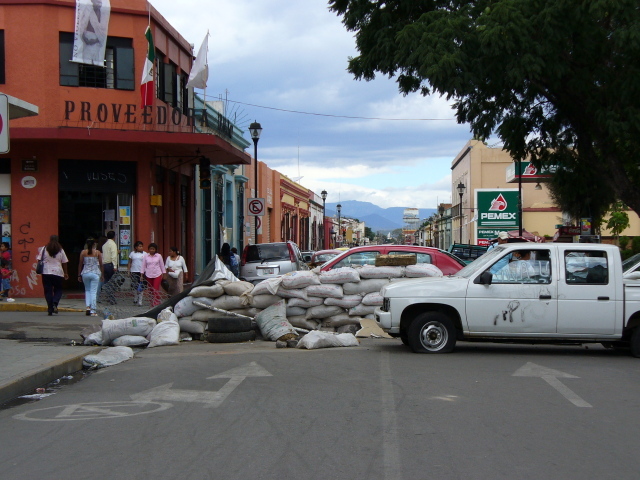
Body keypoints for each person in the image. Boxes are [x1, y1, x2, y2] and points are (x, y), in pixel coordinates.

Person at [37, 235, 69, 316]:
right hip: (58, 272)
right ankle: (55, 303)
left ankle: (50, 308)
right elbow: (64, 262)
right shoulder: (60, 250)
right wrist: (65, 273)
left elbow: (39, 259)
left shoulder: (44, 248)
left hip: (46, 272)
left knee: (48, 291)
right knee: (58, 289)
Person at [78, 237, 103, 316]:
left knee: (87, 290)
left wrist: (79, 274)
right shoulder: (97, 252)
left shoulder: (83, 252)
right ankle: (93, 310)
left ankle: (88, 307)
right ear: (94, 244)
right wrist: (102, 274)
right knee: (93, 292)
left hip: (85, 272)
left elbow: (80, 264)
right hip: (95, 273)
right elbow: (101, 264)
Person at [141, 242, 166, 307]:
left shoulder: (159, 256)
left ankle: (156, 301)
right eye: (150, 249)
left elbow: (162, 265)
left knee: (156, 289)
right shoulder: (146, 256)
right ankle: (151, 301)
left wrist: (164, 273)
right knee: (150, 289)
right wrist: (142, 274)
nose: (152, 250)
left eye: (153, 249)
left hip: (157, 274)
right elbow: (143, 265)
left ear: (155, 250)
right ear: (148, 249)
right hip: (148, 274)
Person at [102, 230, 118, 304]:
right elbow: (113, 256)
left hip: (104, 264)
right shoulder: (113, 244)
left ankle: (108, 296)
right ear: (114, 237)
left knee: (106, 281)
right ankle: (111, 298)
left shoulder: (104, 245)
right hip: (110, 264)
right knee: (112, 282)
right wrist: (115, 266)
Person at [127, 241, 146, 306]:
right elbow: (129, 262)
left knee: (141, 286)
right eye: (139, 246)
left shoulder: (145, 254)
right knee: (134, 286)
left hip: (142, 272)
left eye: (142, 246)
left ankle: (140, 301)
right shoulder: (132, 254)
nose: (141, 247)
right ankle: (135, 297)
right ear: (136, 247)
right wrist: (128, 270)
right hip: (134, 271)